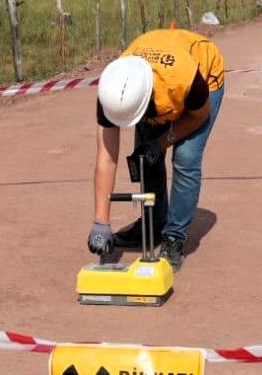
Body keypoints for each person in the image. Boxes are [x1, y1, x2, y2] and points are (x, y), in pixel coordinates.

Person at [88, 28, 226, 269]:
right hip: (156, 78)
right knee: (145, 156)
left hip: (203, 74)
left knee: (185, 157)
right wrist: (101, 222)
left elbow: (198, 117)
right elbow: (106, 158)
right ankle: (152, 224)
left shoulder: (185, 80)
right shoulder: (112, 91)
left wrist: (161, 143)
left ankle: (174, 237)